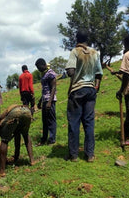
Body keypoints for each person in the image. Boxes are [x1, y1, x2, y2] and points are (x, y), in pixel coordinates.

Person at [65, 29, 103, 162]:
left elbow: (70, 71)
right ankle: (90, 154)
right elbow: (99, 74)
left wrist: (75, 72)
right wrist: (96, 86)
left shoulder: (75, 52)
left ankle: (74, 155)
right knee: (89, 122)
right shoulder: (94, 52)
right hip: (91, 90)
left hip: (77, 90)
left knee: (74, 122)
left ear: (76, 39)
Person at [0, 105, 35, 176]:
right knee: (25, 134)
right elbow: (17, 136)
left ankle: (1, 171)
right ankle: (32, 161)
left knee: (4, 141)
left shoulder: (1, 117)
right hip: (27, 112)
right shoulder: (14, 116)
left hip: (15, 112)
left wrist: (3, 136)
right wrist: (16, 156)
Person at [35, 58, 57, 145]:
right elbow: (45, 89)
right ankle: (43, 139)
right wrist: (40, 101)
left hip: (50, 100)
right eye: (37, 67)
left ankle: (52, 140)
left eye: (39, 66)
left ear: (44, 65)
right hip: (45, 99)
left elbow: (53, 88)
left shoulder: (50, 73)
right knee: (45, 121)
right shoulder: (44, 74)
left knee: (51, 120)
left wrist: (49, 102)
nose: (38, 69)